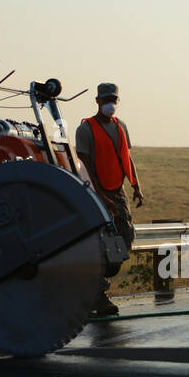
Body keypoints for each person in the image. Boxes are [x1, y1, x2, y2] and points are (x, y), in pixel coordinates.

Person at [75, 82, 144, 315]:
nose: (110, 104)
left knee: (124, 236)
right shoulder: (85, 129)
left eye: (113, 100)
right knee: (103, 242)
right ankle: (97, 293)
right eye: (106, 100)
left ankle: (97, 287)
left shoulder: (121, 126)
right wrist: (101, 197)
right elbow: (85, 165)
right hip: (95, 192)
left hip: (118, 191)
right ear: (97, 101)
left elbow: (127, 158)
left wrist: (136, 186)